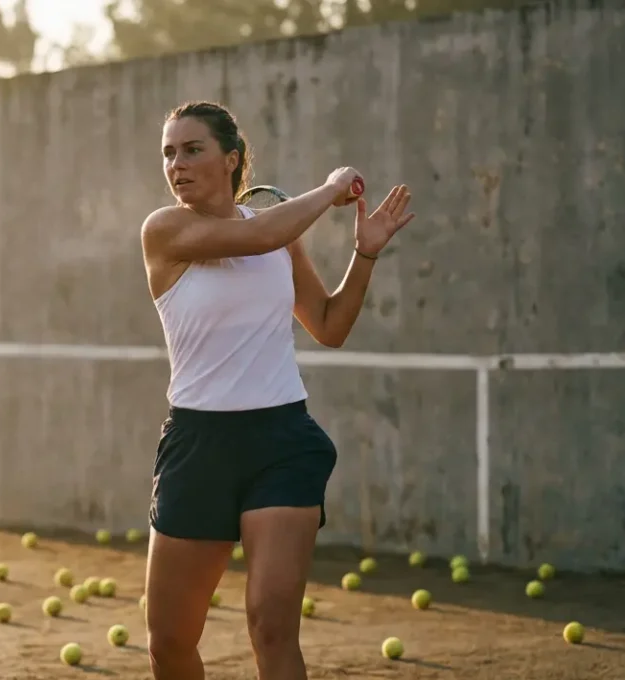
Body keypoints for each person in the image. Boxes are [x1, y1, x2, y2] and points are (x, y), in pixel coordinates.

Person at [138, 100, 416, 680]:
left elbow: (330, 325)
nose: (177, 165)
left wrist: (365, 253)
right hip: (197, 444)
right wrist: (330, 189)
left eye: (193, 150)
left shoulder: (282, 238)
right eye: (169, 152)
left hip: (281, 443)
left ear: (231, 159)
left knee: (270, 624)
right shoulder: (166, 230)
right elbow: (262, 233)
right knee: (169, 642)